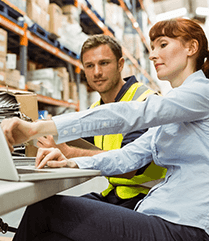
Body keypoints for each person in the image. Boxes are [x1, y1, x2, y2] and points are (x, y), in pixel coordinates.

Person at [1, 18, 209, 241]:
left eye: (162, 45)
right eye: (152, 49)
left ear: (191, 48)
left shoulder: (203, 93)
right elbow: (128, 156)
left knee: (44, 209)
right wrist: (70, 162)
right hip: (160, 215)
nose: (153, 55)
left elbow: (130, 113)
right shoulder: (177, 109)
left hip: (188, 228)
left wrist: (37, 128)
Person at [36, 35, 166, 210]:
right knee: (42, 209)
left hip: (146, 199)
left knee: (46, 213)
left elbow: (129, 168)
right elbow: (81, 144)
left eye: (104, 63)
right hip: (116, 194)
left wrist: (68, 152)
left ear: (121, 65)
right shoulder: (97, 109)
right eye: (90, 66)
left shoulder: (144, 102)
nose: (96, 72)